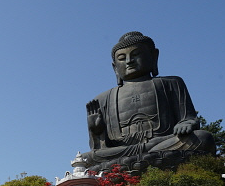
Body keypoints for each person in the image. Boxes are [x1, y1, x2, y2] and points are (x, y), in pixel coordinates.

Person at [81, 32, 214, 173]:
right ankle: (144, 158)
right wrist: (97, 132)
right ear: (115, 68)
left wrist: (186, 123)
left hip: (161, 143)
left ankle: (138, 161)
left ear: (153, 57)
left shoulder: (171, 83)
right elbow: (99, 148)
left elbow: (189, 119)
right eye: (122, 58)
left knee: (203, 138)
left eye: (135, 54)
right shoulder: (104, 98)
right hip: (124, 151)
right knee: (85, 159)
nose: (129, 61)